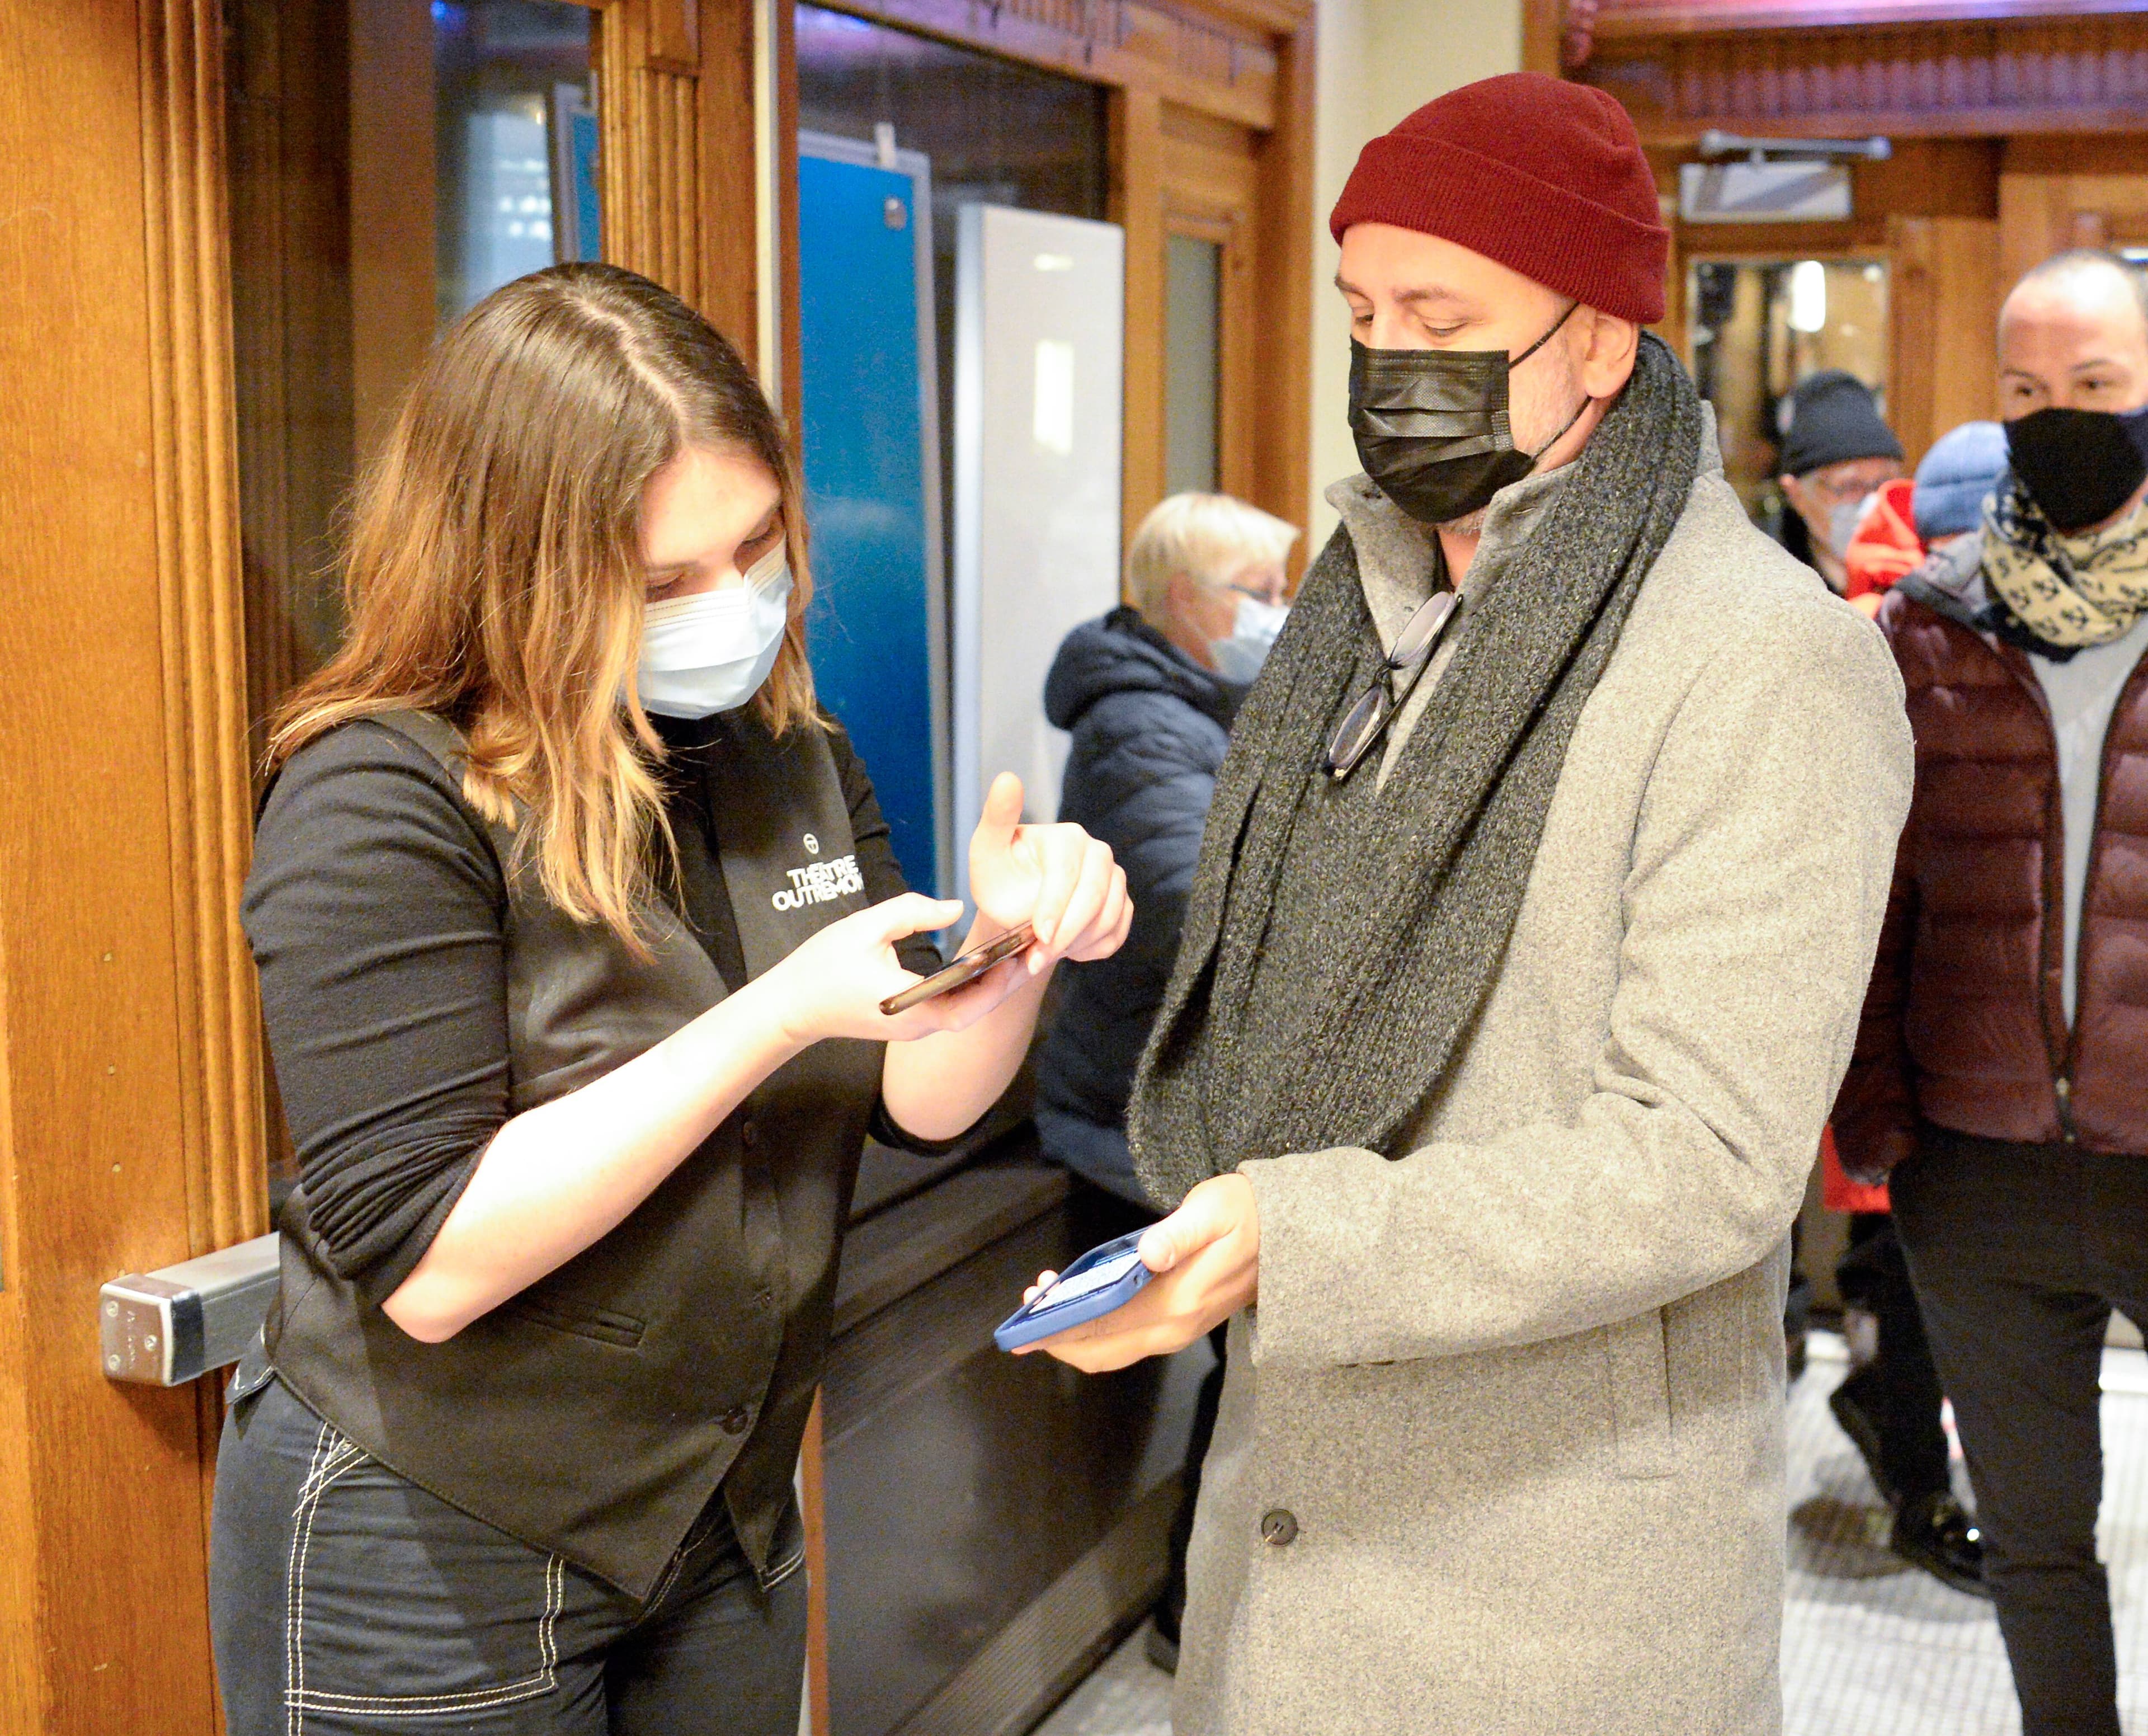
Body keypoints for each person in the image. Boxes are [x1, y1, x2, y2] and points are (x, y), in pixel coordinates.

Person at [1017, 73, 1912, 1733]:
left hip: (1542, 1574)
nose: (1387, 362)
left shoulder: (1762, 658)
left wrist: (1293, 1231)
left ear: (1598, 333)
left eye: (1440, 313)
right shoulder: (1349, 623)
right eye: (1361, 312)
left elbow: (1706, 1154)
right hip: (1281, 1523)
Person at [207, 264, 1130, 1736]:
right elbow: (432, 1261)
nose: (736, 605)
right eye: (664, 581)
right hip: (439, 1526)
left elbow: (919, 1093)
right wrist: (771, 1015)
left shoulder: (782, 743)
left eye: (757, 543)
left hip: (722, 1509)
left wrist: (1017, 952)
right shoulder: (379, 793)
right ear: (529, 573)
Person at [1835, 249, 2148, 1736]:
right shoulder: (1926, 629)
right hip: (1981, 1171)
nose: (2062, 417)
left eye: (2098, 387)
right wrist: (1885, 1130)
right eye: (2028, 390)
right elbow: (1875, 904)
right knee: (2034, 1540)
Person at [1034, 491, 1297, 1670]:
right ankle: (1204, 1613)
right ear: (1183, 599)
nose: (1276, 614)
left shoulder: (1212, 704)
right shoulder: (1139, 726)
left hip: (1196, 1089)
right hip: (1134, 1107)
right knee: (1264, 1346)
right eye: (1256, 590)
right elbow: (1204, 912)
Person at [1822, 420, 2010, 1598]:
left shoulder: (1880, 617)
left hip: (1923, 980)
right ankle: (1917, 1479)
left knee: (1913, 1242)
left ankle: (1904, 1443)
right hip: (1901, 978)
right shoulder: (1881, 633)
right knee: (1916, 1245)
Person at [1777, 368, 1907, 594]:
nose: (1872, 503)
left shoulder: (1916, 584)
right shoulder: (1770, 585)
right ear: (1796, 494)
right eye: (1850, 486)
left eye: (1884, 483)